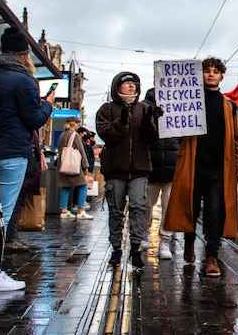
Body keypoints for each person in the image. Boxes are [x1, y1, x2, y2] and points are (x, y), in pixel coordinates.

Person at [0, 27, 54, 291]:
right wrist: (47, 105)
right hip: (12, 153)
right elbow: (33, 119)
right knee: (3, 213)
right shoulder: (24, 81)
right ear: (24, 54)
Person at [164, 57, 238, 277]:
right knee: (191, 207)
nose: (211, 74)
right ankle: (189, 242)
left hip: (218, 168)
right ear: (201, 74)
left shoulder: (229, 106)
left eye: (215, 71)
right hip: (193, 164)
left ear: (221, 77)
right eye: (207, 70)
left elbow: (234, 137)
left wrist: (236, 159)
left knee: (215, 212)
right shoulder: (189, 101)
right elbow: (174, 126)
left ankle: (212, 256)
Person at [96, 72, 159, 269]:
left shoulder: (144, 109)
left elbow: (152, 138)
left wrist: (150, 123)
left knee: (139, 208)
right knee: (116, 211)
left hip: (139, 169)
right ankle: (116, 249)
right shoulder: (107, 109)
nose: (131, 87)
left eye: (134, 84)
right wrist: (121, 122)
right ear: (118, 87)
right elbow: (106, 133)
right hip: (116, 169)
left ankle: (136, 249)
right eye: (127, 84)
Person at [141, 87, 179, 260]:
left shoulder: (178, 108)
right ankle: (144, 233)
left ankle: (165, 239)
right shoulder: (144, 108)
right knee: (146, 205)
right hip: (151, 168)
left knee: (169, 207)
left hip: (172, 168)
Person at [56, 117, 93, 220]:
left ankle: (63, 210)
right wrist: (85, 166)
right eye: (78, 124)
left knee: (66, 186)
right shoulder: (75, 135)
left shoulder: (62, 135)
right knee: (83, 185)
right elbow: (81, 151)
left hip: (63, 164)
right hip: (74, 165)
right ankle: (81, 210)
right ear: (74, 124)